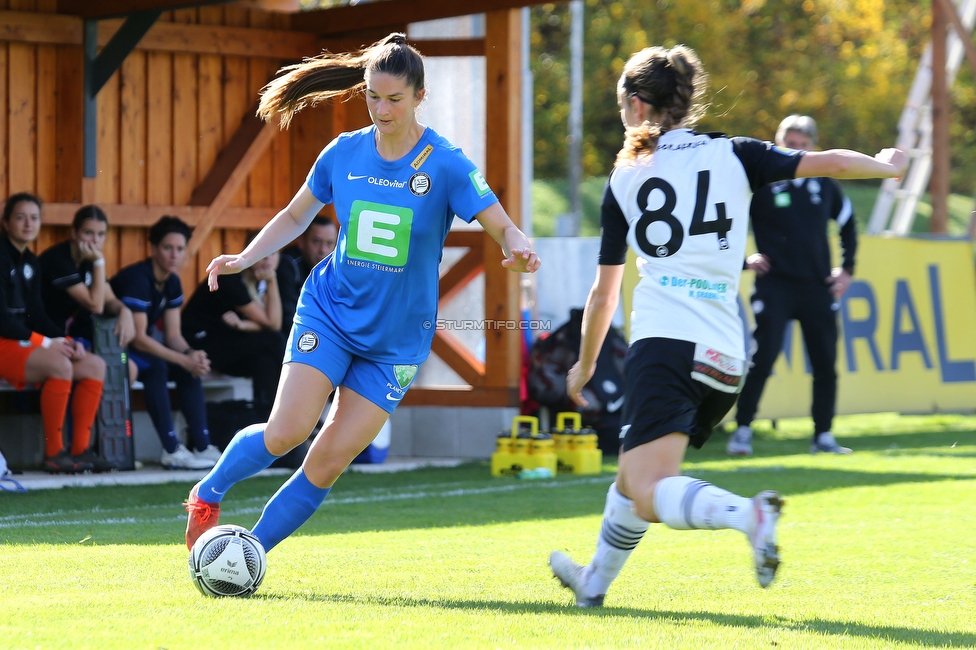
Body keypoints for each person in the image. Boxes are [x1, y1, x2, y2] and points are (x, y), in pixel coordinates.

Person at [547, 44, 907, 607]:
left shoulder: (626, 175)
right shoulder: (735, 153)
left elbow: (605, 291)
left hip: (665, 347)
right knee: (631, 479)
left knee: (645, 488)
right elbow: (831, 164)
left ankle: (750, 515)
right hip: (725, 358)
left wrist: (586, 363)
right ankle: (594, 582)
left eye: (622, 106)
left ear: (638, 107)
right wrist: (887, 166)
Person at [183, 33, 540, 553]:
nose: (381, 108)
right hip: (330, 312)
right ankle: (206, 495)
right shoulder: (343, 152)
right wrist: (246, 258)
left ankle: (248, 553)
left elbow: (503, 226)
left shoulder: (446, 163)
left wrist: (519, 245)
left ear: (421, 97)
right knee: (287, 431)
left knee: (326, 461)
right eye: (373, 95)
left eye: (394, 98)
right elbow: (295, 215)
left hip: (396, 342)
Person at [727, 115, 856, 456]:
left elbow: (847, 224)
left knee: (825, 363)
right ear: (778, 145)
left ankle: (823, 435)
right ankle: (742, 430)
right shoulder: (762, 183)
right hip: (775, 286)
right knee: (764, 358)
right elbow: (726, 221)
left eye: (803, 145)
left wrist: (847, 270)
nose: (796, 151)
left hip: (816, 286)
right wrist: (746, 260)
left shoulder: (825, 185)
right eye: (790, 144)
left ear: (813, 147)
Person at [0, 192, 107, 474]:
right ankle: (54, 454)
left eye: (34, 218)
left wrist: (67, 341)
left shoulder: (31, 262)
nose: (28, 224)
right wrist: (47, 342)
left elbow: (37, 315)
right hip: (3, 342)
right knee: (59, 365)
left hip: (23, 342)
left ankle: (80, 451)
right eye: (20, 217)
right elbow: (2, 321)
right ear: (6, 221)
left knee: (95, 365)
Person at [110, 216, 218, 471]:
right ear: (154, 249)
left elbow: (173, 335)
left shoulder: (172, 281)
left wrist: (192, 355)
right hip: (115, 348)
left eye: (180, 249)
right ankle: (171, 450)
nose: (174, 255)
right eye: (168, 248)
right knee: (157, 367)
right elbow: (138, 338)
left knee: (187, 369)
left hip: (138, 349)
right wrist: (183, 359)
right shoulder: (138, 278)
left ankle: (203, 445)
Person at [39, 205, 138, 384]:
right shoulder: (59, 259)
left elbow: (110, 300)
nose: (94, 240)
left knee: (128, 368)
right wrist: (99, 262)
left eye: (100, 234)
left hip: (62, 337)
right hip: (40, 337)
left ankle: (99, 413)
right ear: (74, 233)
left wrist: (125, 311)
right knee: (94, 367)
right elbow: (95, 305)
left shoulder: (89, 260)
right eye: (88, 233)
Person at [182, 244, 285, 415]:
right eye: (262, 252)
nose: (267, 259)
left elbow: (271, 324)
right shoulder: (231, 279)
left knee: (264, 361)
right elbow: (273, 324)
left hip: (223, 344)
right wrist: (272, 280)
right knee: (275, 340)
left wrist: (243, 325)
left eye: (273, 252)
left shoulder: (257, 282)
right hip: (197, 345)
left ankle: (268, 419)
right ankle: (288, 407)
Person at [276, 215, 338, 333]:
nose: (323, 250)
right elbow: (287, 317)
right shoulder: (289, 265)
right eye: (316, 242)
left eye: (330, 243)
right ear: (301, 241)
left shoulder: (339, 267)